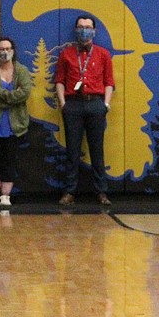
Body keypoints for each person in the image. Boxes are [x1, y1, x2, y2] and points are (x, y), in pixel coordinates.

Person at [55, 14, 114, 206]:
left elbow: (109, 82)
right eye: (80, 27)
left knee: (97, 150)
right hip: (73, 105)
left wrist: (105, 104)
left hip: (96, 104)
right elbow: (59, 81)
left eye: (87, 27)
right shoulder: (66, 54)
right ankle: (69, 191)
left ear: (94, 31)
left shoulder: (103, 54)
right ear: (75, 30)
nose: (84, 30)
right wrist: (64, 103)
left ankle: (101, 192)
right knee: (72, 150)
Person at [0, 36, 32, 207]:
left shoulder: (22, 71)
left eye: (8, 49)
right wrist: (11, 97)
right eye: (1, 49)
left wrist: (0, 93)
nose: (4, 52)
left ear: (13, 51)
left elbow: (23, 94)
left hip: (14, 125)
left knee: (10, 160)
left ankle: (5, 196)